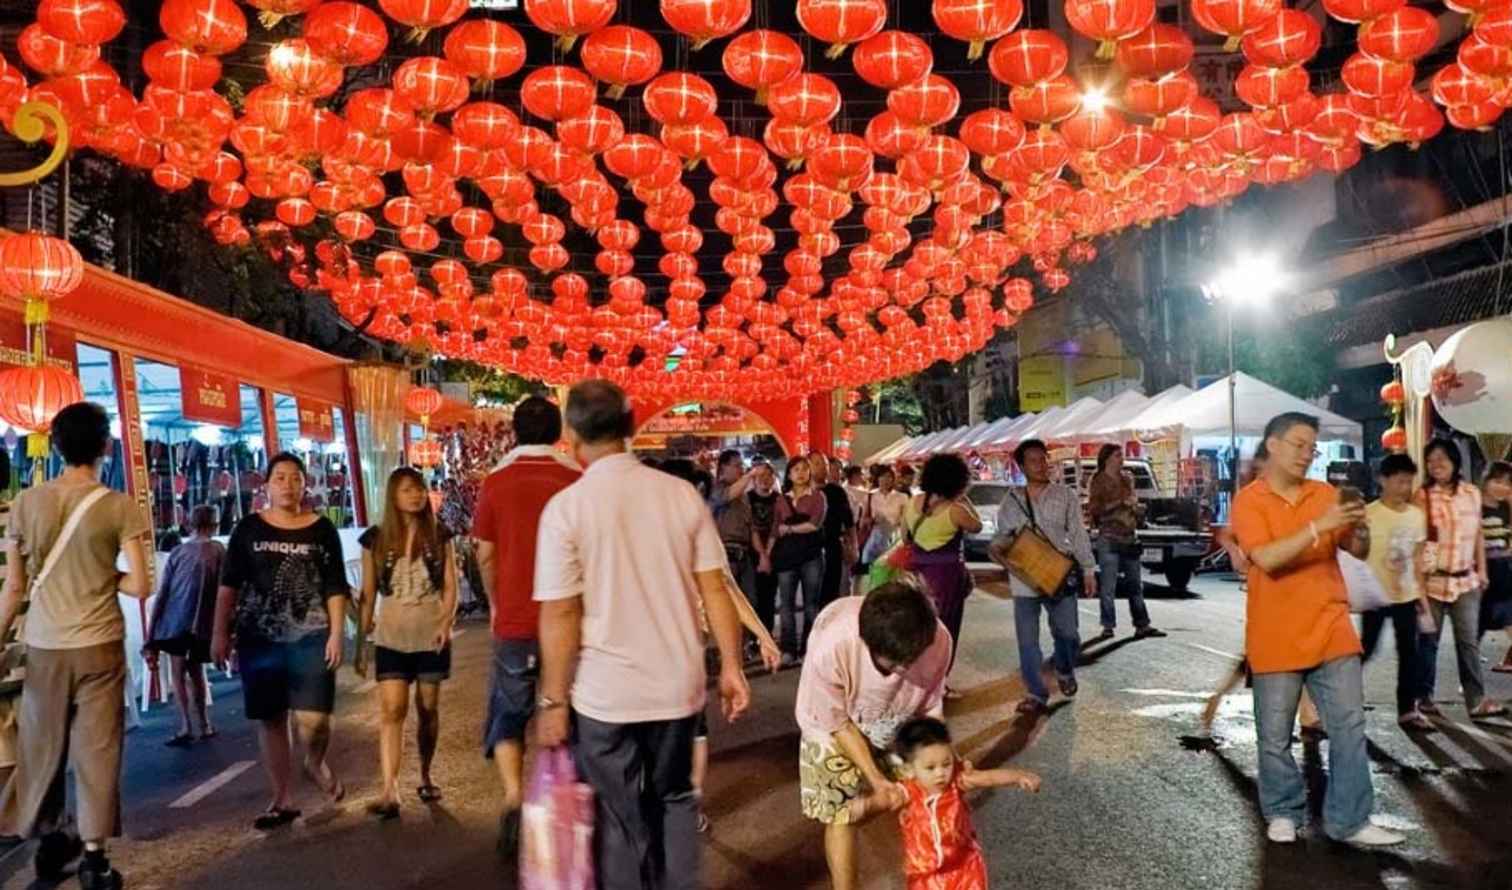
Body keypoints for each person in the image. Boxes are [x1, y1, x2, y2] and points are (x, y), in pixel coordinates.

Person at [534, 380, 751, 890]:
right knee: (675, 799)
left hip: (605, 697)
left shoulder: (566, 509)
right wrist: (734, 669)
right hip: (677, 687)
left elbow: (562, 615)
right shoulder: (679, 495)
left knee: (618, 816)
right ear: (631, 428)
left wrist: (552, 701)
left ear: (570, 434)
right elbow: (715, 590)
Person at [1229, 411, 1403, 846]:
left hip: (1331, 626)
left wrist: (1359, 526)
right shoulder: (1249, 501)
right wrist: (1318, 527)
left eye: (1311, 447)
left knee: (1348, 727)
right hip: (1275, 634)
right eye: (1298, 444)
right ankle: (1283, 811)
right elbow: (1266, 558)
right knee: (1274, 736)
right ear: (1273, 444)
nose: (1307, 454)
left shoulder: (1325, 493)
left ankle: (1350, 820)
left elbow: (1357, 550)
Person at [0, 402, 151, 889]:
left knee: (41, 746)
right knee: (98, 749)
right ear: (105, 446)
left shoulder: (25, 503)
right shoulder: (119, 506)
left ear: (57, 445)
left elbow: (15, 588)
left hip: (44, 645)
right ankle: (93, 856)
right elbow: (141, 586)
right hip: (100, 642)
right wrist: (101, 573)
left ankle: (47, 836)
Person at [212, 452, 350, 832]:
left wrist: (338, 632)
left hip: (311, 637)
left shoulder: (322, 530)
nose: (288, 484)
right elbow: (229, 587)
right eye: (280, 478)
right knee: (272, 719)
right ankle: (282, 798)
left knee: (314, 719)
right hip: (260, 639)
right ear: (267, 486)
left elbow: (336, 585)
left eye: (295, 478)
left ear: (305, 485)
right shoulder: (248, 530)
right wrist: (220, 632)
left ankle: (315, 762)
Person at [471, 395, 580, 858]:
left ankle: (515, 798)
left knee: (509, 712)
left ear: (514, 432)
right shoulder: (576, 479)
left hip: (515, 620)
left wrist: (496, 603)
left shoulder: (496, 483)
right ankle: (562, 804)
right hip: (572, 620)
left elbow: (486, 552)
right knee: (568, 711)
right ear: (559, 432)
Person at [794, 581, 953, 890]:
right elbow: (837, 723)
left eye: (911, 660)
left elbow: (931, 707)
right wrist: (876, 779)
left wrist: (944, 758)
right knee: (840, 812)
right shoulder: (834, 647)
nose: (904, 670)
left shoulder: (938, 640)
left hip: (897, 715)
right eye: (893, 664)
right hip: (831, 723)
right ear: (867, 643)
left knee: (931, 793)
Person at [357, 467, 458, 819]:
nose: (415, 496)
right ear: (392, 497)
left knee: (428, 709)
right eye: (406, 491)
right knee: (392, 710)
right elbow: (368, 593)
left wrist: (446, 622)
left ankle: (426, 773)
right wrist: (361, 639)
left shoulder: (439, 534)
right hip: (392, 635)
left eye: (418, 489)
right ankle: (389, 789)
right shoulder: (374, 539)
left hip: (430, 633)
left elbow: (450, 586)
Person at [989, 439, 1097, 717]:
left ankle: (1063, 667)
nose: (1041, 465)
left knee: (1069, 634)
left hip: (1060, 576)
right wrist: (996, 549)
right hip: (1025, 580)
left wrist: (1088, 568)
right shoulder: (1011, 501)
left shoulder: (1065, 495)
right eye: (1034, 460)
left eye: (1043, 459)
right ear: (1022, 466)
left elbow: (1078, 533)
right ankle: (1036, 693)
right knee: (1028, 642)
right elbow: (1003, 537)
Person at [891, 717, 1040, 890]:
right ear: (909, 769)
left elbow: (987, 777)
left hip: (965, 866)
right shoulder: (906, 792)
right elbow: (882, 800)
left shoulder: (957, 782)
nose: (941, 773)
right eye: (930, 768)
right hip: (925, 874)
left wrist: (1018, 776)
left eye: (946, 764)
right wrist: (863, 806)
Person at [1414, 438, 1505, 719]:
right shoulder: (1423, 495)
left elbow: (1477, 533)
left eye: (1442, 458)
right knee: (1429, 642)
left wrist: (1482, 571)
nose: (1436, 464)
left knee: (1468, 643)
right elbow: (1417, 543)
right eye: (1431, 461)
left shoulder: (1471, 493)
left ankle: (1476, 701)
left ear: (1455, 461)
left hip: (1466, 582)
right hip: (1433, 582)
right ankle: (1424, 698)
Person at [1359, 454, 1433, 731]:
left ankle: (1407, 710)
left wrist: (1422, 598)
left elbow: (1417, 559)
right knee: (1365, 649)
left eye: (1409, 482)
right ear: (1383, 480)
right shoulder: (1369, 514)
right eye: (1400, 481)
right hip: (1374, 597)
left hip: (1406, 596)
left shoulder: (1417, 516)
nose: (1406, 488)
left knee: (1409, 654)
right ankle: (1342, 699)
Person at [145, 504, 224, 746]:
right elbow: (226, 591)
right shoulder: (220, 551)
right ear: (215, 525)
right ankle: (205, 723)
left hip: (176, 623)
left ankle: (185, 726)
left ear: (189, 523)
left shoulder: (178, 553)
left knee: (178, 674)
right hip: (203, 624)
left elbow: (164, 593)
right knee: (197, 672)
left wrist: (152, 636)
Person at [899, 454, 982, 679]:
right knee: (946, 628)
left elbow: (905, 538)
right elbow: (977, 526)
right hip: (947, 578)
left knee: (919, 627)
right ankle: (939, 682)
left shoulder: (912, 503)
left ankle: (916, 679)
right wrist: (964, 499)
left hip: (917, 576)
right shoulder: (956, 510)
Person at [1086, 444, 1165, 642]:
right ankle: (1108, 626)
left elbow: (1132, 503)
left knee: (1135, 585)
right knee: (1108, 585)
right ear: (1107, 459)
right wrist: (1121, 503)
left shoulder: (1127, 478)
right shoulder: (1098, 481)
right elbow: (1095, 509)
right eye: (1117, 455)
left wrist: (1137, 508)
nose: (1121, 459)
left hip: (1129, 535)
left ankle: (1142, 625)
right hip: (1109, 536)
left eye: (1121, 455)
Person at [774, 458, 828, 664]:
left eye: (805, 469)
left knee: (811, 605)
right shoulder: (781, 499)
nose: (801, 473)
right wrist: (767, 553)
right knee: (785, 604)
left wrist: (788, 529)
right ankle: (788, 649)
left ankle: (808, 648)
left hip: (811, 556)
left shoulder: (817, 497)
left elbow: (814, 524)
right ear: (788, 474)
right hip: (786, 557)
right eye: (796, 470)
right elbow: (774, 528)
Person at [708, 449, 759, 608]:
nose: (741, 469)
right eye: (737, 465)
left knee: (750, 603)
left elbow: (751, 525)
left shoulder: (743, 494)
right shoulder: (715, 489)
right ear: (723, 467)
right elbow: (727, 496)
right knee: (729, 603)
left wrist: (762, 554)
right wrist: (750, 475)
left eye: (742, 465)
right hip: (724, 552)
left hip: (744, 553)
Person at [1479, 461, 1512, 672]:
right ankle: (1469, 674)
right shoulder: (1475, 506)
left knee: (1510, 616)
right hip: (1482, 574)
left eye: (1508, 484)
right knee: (1476, 628)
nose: (1503, 487)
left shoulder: (1504, 508)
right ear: (1486, 481)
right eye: (1497, 481)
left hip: (1503, 573)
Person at [812, 453, 856, 611]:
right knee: (812, 596)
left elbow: (849, 523)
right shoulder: (803, 492)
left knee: (832, 592)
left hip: (833, 547)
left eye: (824, 464)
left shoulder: (837, 492)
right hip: (810, 550)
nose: (823, 467)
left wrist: (853, 547)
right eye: (817, 463)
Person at [748, 461, 781, 649]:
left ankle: (766, 636)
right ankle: (752, 638)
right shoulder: (747, 499)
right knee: (753, 597)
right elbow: (750, 528)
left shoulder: (779, 499)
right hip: (752, 554)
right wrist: (762, 555)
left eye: (769, 476)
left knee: (769, 596)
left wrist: (767, 555)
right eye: (760, 476)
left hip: (774, 553)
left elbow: (777, 529)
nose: (764, 480)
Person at [858, 465, 909, 576]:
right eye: (883, 477)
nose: (886, 480)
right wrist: (871, 520)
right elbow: (862, 522)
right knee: (871, 571)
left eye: (889, 477)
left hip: (894, 539)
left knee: (892, 572)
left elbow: (907, 520)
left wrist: (897, 521)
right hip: (875, 539)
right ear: (877, 479)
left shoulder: (902, 497)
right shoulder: (870, 496)